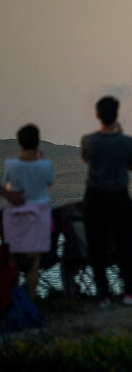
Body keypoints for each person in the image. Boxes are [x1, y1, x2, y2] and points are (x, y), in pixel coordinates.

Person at [81, 96, 132, 307]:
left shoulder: (88, 141)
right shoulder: (126, 142)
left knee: (97, 246)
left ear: (97, 115)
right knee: (125, 245)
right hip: (119, 197)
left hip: (94, 197)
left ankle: (102, 294)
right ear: (117, 115)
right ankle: (129, 290)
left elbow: (86, 159)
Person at [1, 124, 54, 299]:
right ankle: (30, 301)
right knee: (33, 264)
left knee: (13, 261)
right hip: (37, 218)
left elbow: (7, 186)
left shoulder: (11, 165)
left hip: (14, 218)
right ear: (37, 142)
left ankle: (12, 301)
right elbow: (49, 181)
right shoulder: (45, 165)